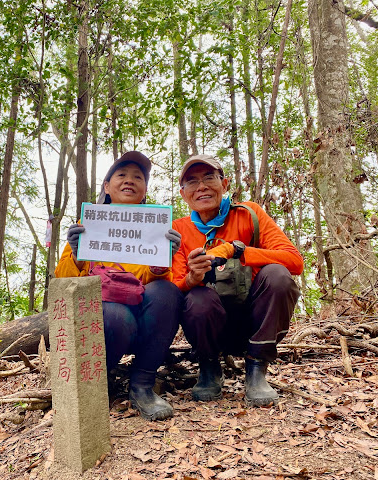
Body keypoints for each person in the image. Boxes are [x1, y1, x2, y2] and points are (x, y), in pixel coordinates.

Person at [55, 151, 183, 421]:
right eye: (122, 175)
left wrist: (162, 263)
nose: (130, 181)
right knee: (115, 315)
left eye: (138, 177)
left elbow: (157, 290)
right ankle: (101, 381)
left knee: (167, 292)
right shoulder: (87, 226)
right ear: (107, 186)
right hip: (103, 321)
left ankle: (143, 386)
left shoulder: (157, 229)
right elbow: (63, 284)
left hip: (143, 320)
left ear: (145, 189)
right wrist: (77, 255)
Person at [171, 154, 303, 406]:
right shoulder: (178, 229)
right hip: (210, 328)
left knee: (278, 275)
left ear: (225, 183)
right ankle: (209, 368)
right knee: (196, 297)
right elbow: (174, 286)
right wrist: (191, 278)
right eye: (192, 182)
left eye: (209, 177)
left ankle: (256, 369)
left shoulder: (249, 214)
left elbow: (294, 262)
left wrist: (237, 250)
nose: (201, 187)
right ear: (183, 193)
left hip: (254, 322)